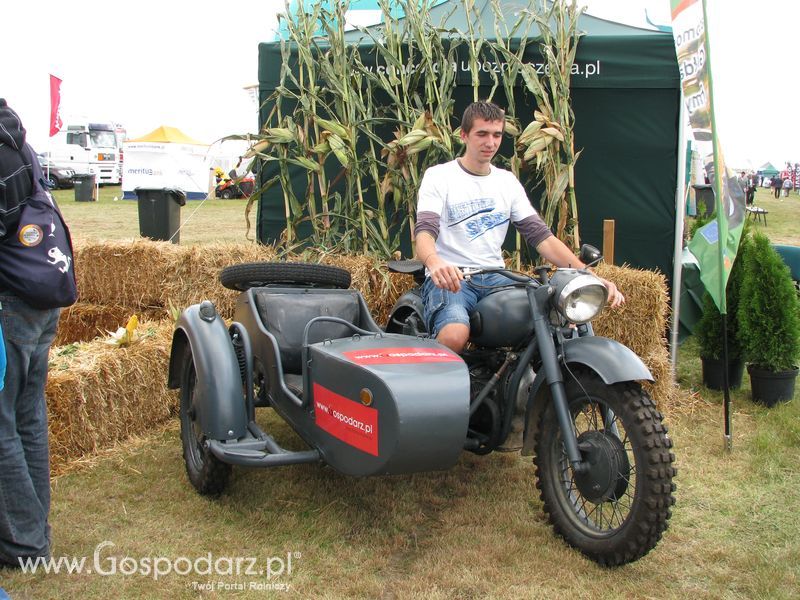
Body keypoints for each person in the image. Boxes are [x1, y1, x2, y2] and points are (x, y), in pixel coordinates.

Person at [414, 101, 624, 354]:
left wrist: (587, 275)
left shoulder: (506, 182)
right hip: (454, 278)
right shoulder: (439, 176)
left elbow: (541, 237)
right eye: (482, 134)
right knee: (455, 334)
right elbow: (425, 231)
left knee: (556, 314)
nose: (490, 143)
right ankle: (435, 377)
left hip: (496, 277)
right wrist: (435, 262)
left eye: (497, 135)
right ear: (464, 135)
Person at [0, 99, 62, 567]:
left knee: (5, 424)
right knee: (28, 416)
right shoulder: (18, 141)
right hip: (39, 294)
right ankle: (35, 529)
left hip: (10, 301)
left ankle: (24, 543)